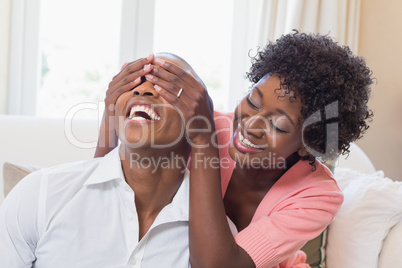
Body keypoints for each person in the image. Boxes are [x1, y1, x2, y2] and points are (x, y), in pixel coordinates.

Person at [96, 32, 374, 268]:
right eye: (252, 102)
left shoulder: (319, 194)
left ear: (308, 144)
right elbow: (100, 198)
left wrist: (204, 142)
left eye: (278, 124)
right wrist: (111, 112)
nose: (251, 125)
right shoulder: (208, 124)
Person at [0, 54, 201, 267]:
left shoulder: (210, 239)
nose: (143, 89)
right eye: (135, 81)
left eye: (167, 84)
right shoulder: (39, 194)